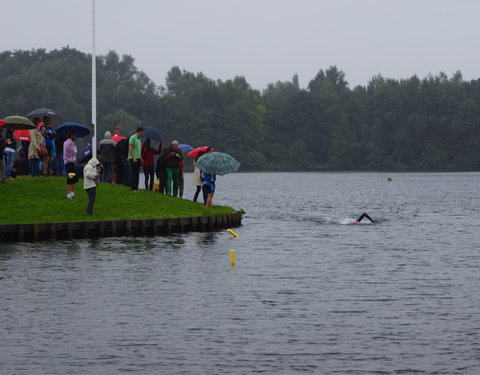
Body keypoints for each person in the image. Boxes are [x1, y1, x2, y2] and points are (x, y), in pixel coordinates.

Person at [128, 126, 144, 192]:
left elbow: (138, 149)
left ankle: (136, 187)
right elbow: (130, 147)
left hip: (138, 158)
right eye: (142, 132)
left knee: (137, 173)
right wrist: (133, 157)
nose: (142, 133)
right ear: (139, 131)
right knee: (133, 173)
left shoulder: (138, 139)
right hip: (133, 158)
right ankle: (133, 188)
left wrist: (141, 158)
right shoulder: (132, 137)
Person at [63, 132, 78, 199]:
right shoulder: (70, 143)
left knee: (72, 178)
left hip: (67, 162)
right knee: (71, 178)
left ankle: (71, 193)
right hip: (70, 162)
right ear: (71, 135)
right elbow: (74, 152)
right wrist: (75, 147)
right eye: (74, 135)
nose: (75, 136)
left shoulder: (66, 142)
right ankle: (70, 193)